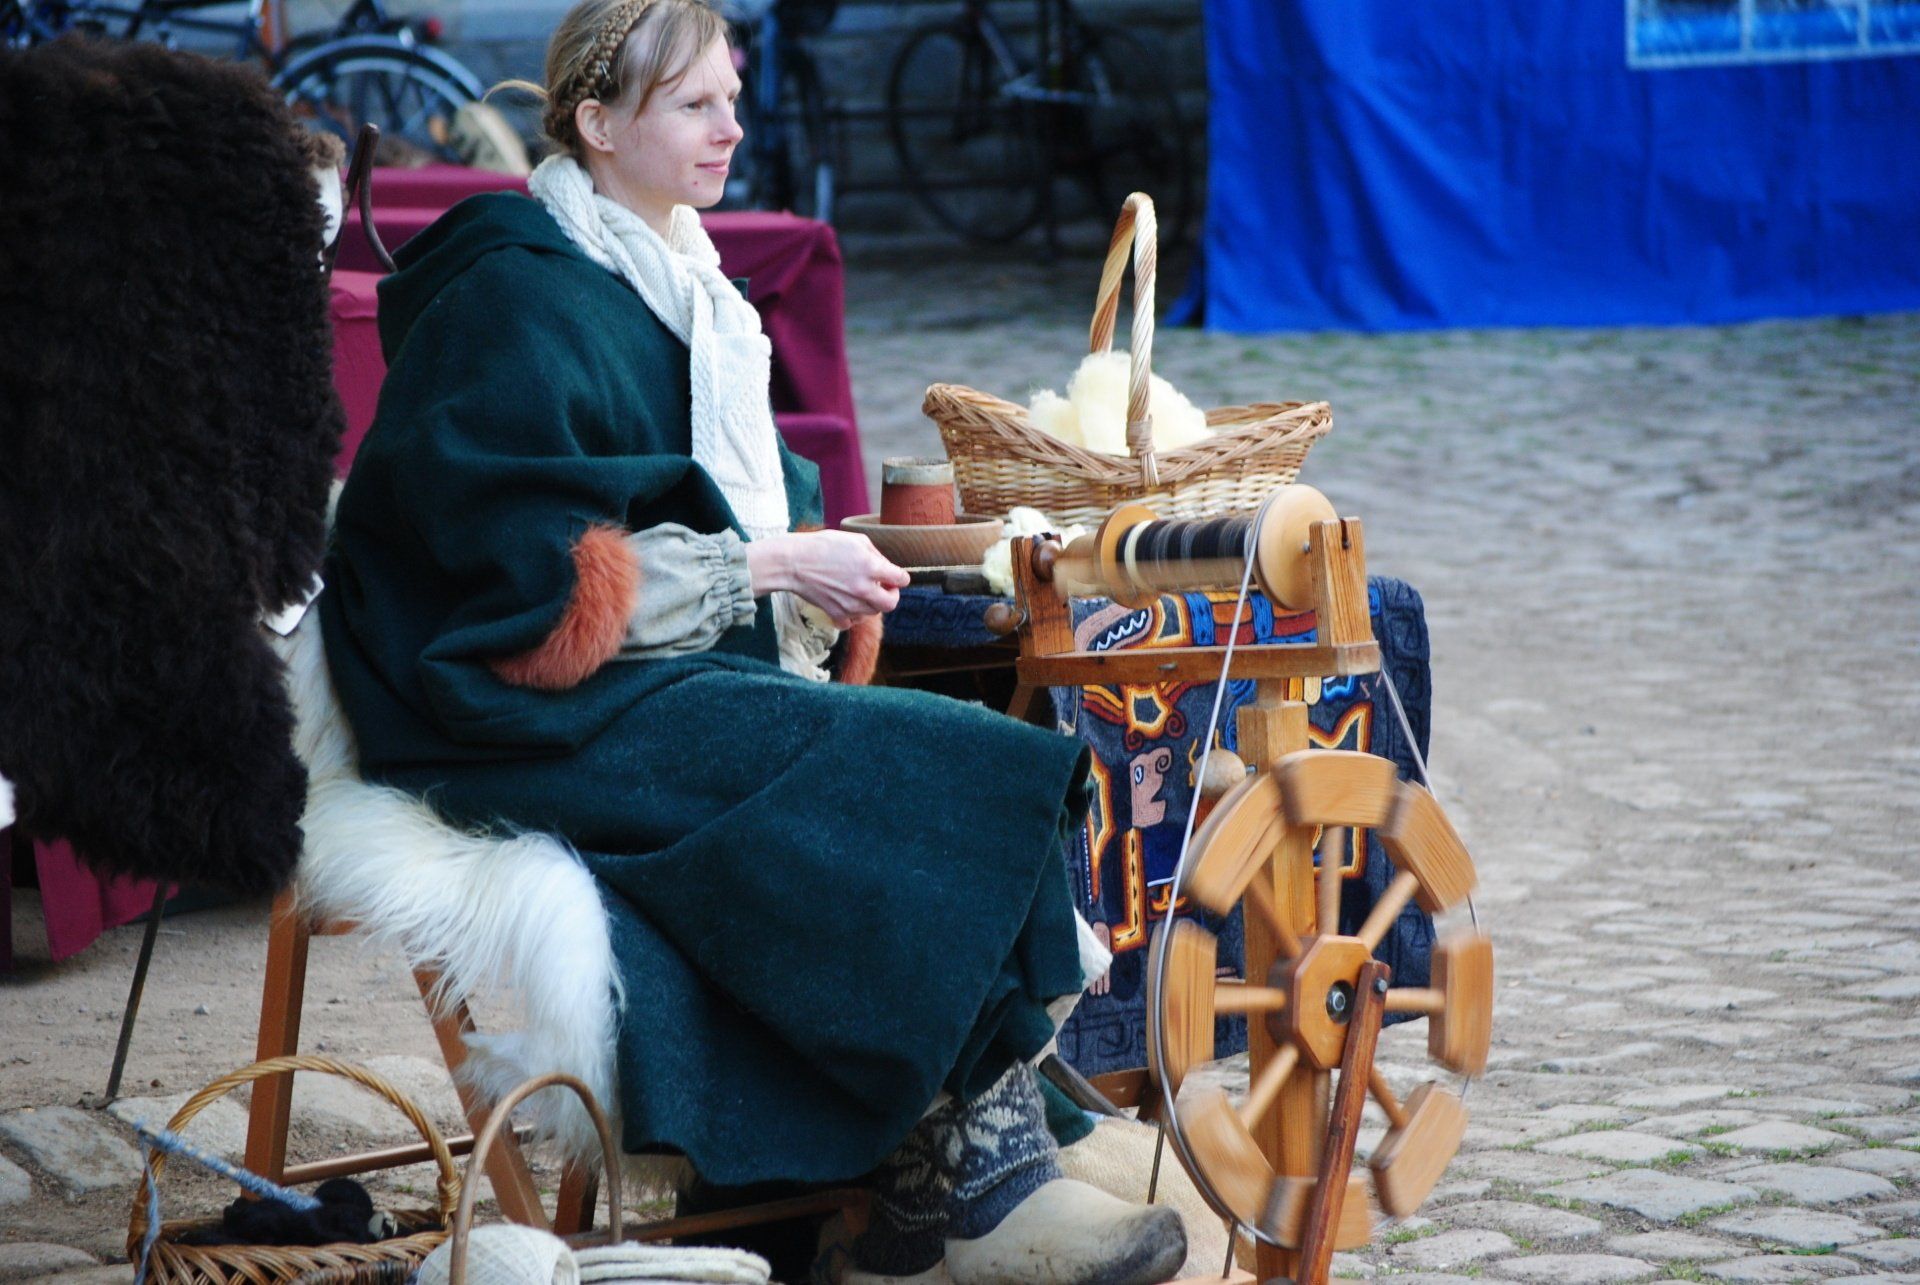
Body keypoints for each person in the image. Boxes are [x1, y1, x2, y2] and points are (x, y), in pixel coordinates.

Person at [317, 0, 1186, 1281]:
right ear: (599, 123)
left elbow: (733, 499)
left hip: (650, 683)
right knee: (914, 769)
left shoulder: (691, 290)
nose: (733, 124)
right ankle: (978, 1191)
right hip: (502, 715)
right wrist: (769, 563)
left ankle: (936, 1177)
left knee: (947, 735)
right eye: (695, 105)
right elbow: (512, 585)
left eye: (733, 96)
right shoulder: (512, 295)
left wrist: (814, 571)